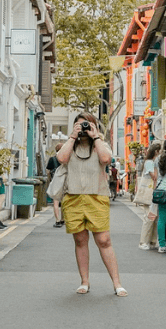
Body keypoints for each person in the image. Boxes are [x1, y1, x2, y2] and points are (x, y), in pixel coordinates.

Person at [56, 112, 127, 297]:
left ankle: (117, 283)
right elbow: (61, 159)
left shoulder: (100, 145)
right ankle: (84, 281)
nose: (83, 129)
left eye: (87, 125)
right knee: (80, 240)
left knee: (104, 240)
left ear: (94, 126)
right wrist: (73, 136)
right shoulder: (70, 145)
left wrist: (95, 137)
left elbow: (106, 160)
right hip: (73, 197)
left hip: (97, 196)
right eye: (80, 125)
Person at [138, 142, 162, 250]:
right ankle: (143, 242)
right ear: (156, 152)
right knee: (149, 217)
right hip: (149, 193)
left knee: (155, 217)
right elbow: (154, 177)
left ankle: (152, 241)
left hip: (154, 193)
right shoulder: (149, 162)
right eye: (160, 151)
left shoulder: (153, 162)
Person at [47, 143, 65, 228]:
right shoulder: (66, 159)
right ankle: (63, 219)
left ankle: (57, 221)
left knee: (56, 202)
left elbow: (48, 171)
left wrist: (50, 180)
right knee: (64, 202)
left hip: (55, 181)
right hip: (65, 181)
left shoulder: (52, 159)